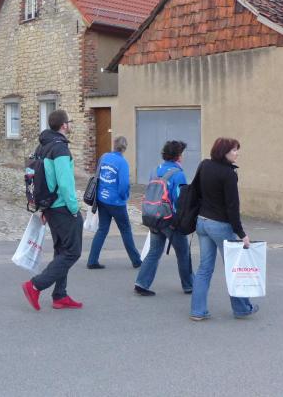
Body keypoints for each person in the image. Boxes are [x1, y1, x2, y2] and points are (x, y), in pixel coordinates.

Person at [189, 137, 259, 321]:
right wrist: (241, 233)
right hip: (219, 225)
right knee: (234, 268)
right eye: (234, 150)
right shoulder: (228, 174)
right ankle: (242, 308)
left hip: (202, 222)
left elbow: (196, 192)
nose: (237, 153)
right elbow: (232, 207)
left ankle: (197, 310)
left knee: (204, 268)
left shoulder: (204, 165)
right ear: (223, 152)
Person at [21, 109, 84, 311]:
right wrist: (74, 209)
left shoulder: (42, 146)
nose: (71, 124)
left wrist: (43, 208)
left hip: (49, 206)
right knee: (72, 252)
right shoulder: (60, 149)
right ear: (64, 125)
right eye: (70, 121)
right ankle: (35, 286)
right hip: (62, 207)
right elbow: (65, 184)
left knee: (61, 251)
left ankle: (60, 295)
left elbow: (39, 178)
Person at [134, 140, 193, 296]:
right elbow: (179, 201)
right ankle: (189, 285)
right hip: (169, 219)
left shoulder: (155, 171)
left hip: (153, 216)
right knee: (183, 252)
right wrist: (181, 221)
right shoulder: (178, 174)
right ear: (178, 156)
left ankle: (141, 283)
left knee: (154, 251)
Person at [86, 136, 142, 269]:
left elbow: (98, 175)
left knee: (102, 229)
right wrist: (124, 197)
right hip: (116, 202)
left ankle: (92, 260)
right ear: (125, 148)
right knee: (125, 230)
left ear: (114, 145)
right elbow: (123, 185)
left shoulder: (104, 157)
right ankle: (136, 260)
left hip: (102, 199)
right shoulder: (122, 163)